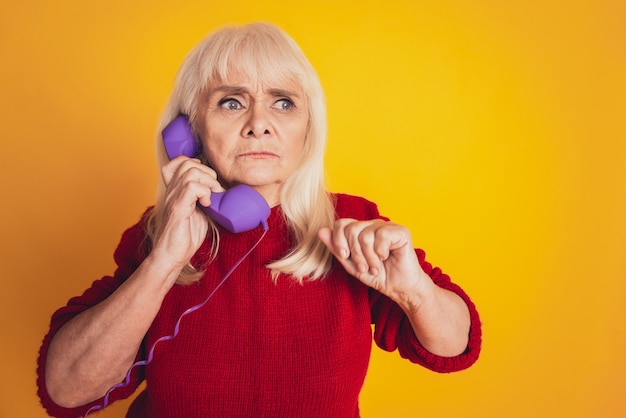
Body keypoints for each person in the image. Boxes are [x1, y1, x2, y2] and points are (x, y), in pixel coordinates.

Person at [37, 22, 482, 418]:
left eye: (283, 103)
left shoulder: (352, 223)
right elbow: (66, 391)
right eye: (231, 102)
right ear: (189, 132)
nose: (259, 124)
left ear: (309, 126)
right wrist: (164, 263)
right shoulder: (160, 233)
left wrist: (415, 291)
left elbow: (455, 347)